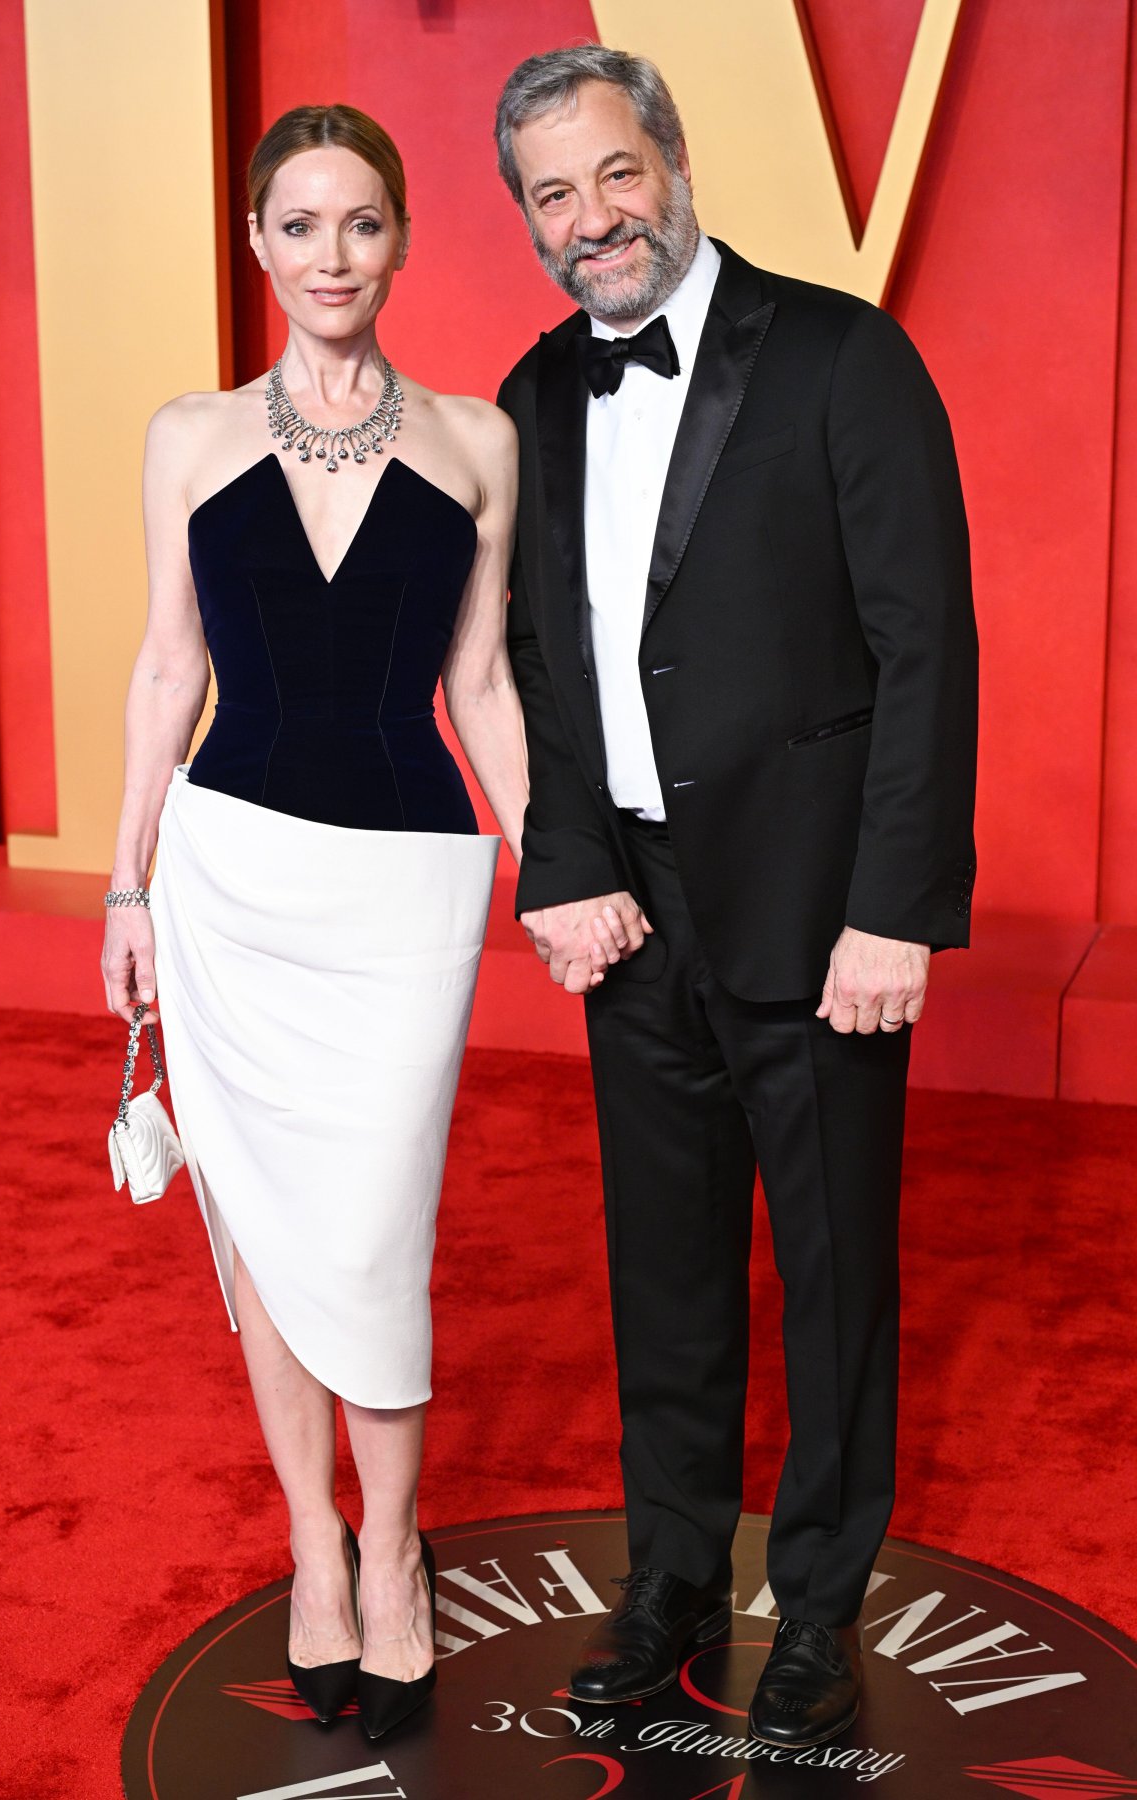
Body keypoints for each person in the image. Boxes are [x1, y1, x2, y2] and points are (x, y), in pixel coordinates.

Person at [494, 46, 977, 1747]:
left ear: (673, 162)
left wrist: (894, 909)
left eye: (613, 174)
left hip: (819, 908)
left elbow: (928, 648)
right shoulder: (540, 392)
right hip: (631, 908)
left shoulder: (845, 353)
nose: (590, 218)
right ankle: (674, 1580)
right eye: (553, 194)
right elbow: (540, 663)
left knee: (835, 1281)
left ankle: (824, 1611)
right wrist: (562, 866)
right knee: (666, 1272)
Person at [101, 103, 526, 1739]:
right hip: (227, 877)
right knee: (269, 1235)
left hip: (405, 885)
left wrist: (553, 858)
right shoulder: (188, 436)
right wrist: (129, 882)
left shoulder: (479, 440)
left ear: (402, 241)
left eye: (362, 223)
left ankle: (400, 1551)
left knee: (374, 1231)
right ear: (260, 244)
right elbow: (166, 671)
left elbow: (478, 682)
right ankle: (318, 1548)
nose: (332, 253)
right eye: (301, 223)